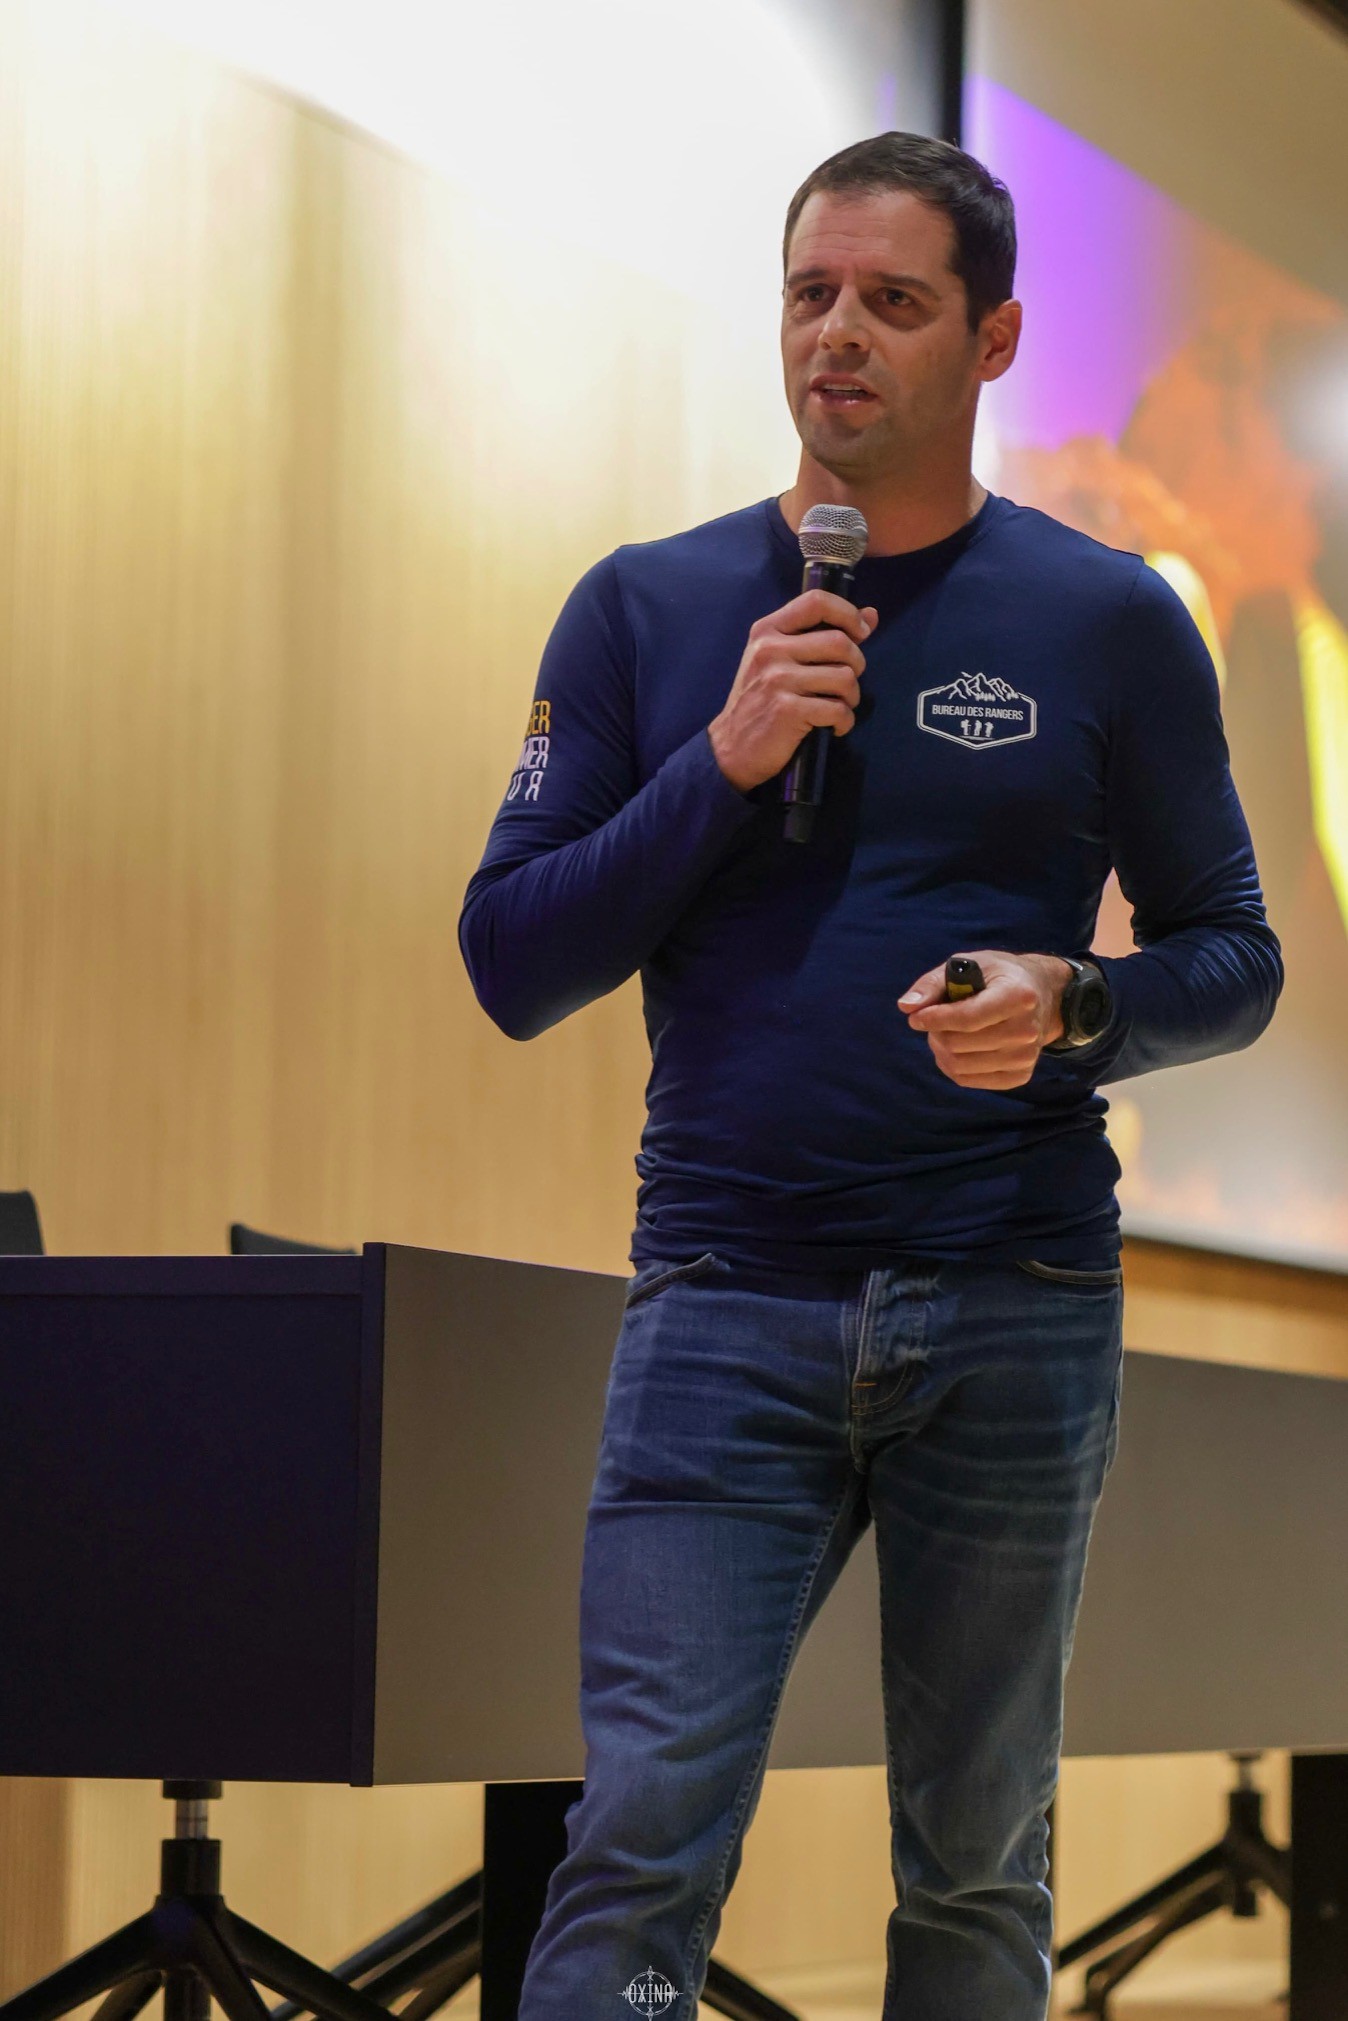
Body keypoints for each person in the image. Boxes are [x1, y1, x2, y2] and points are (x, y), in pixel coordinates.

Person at [457, 132, 1283, 2021]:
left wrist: (1077, 1001)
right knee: (641, 1837)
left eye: (893, 302)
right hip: (726, 1297)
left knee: (979, 1855)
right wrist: (722, 764)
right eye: (812, 293)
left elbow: (1235, 956)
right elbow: (513, 960)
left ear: (992, 340)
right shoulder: (651, 612)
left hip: (1017, 1298)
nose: (839, 335)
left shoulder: (1110, 620)